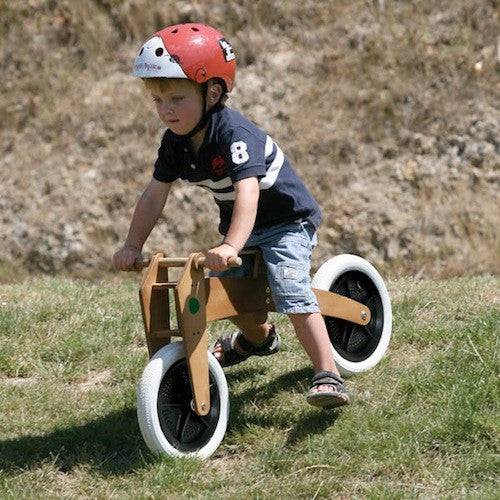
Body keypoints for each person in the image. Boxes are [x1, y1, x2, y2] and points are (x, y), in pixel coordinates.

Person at [113, 23, 349, 408]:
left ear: (213, 92)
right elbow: (155, 194)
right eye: (158, 101)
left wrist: (231, 245)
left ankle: (328, 372)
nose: (166, 110)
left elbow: (248, 191)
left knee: (289, 286)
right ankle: (258, 339)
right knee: (221, 294)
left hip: (286, 223)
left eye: (176, 98)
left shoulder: (234, 134)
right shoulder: (175, 142)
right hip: (242, 231)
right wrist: (131, 244)